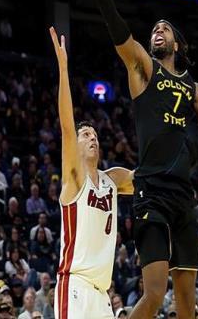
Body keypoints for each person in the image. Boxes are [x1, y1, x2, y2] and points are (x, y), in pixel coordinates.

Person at [71, 0, 198, 319]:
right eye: (154, 29)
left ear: (178, 44)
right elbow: (117, 27)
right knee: (155, 294)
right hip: (151, 192)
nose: (157, 31)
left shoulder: (193, 87)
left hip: (183, 197)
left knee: (188, 301)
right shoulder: (143, 69)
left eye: (164, 29)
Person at [49, 27, 134, 319]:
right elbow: (66, 127)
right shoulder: (74, 179)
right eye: (86, 135)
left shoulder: (113, 179)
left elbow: (146, 178)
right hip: (74, 285)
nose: (92, 137)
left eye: (95, 134)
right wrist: (63, 69)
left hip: (101, 295)